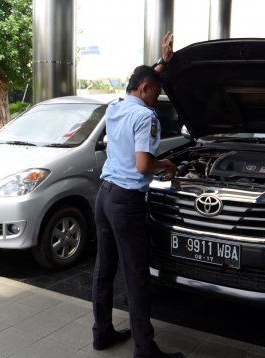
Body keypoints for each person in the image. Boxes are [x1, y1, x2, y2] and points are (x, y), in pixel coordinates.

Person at [91, 32, 182, 358]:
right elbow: (144, 165)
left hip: (104, 197)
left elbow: (142, 78)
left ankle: (102, 333)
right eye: (156, 93)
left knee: (104, 269)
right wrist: (167, 164)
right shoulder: (145, 116)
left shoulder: (117, 107)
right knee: (137, 276)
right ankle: (145, 349)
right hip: (127, 202)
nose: (157, 98)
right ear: (145, 90)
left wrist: (163, 63)